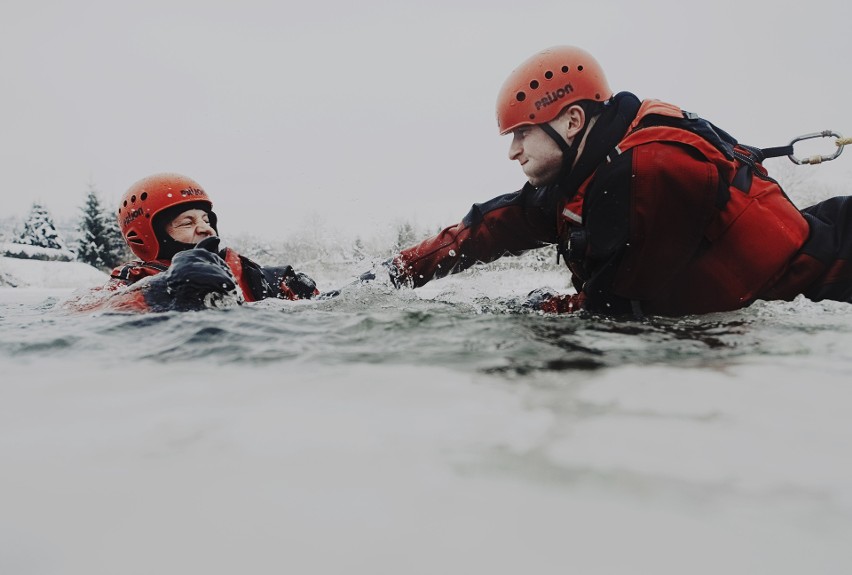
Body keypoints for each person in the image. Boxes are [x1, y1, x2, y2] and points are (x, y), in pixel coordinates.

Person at [384, 45, 852, 317]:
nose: (513, 151)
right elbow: (489, 227)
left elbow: (616, 311)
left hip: (833, 274)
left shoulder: (648, 172)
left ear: (570, 121)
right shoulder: (580, 174)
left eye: (522, 133)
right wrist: (386, 276)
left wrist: (529, 309)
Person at [67, 172, 319, 312]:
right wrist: (164, 290)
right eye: (187, 223)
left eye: (206, 219)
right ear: (149, 236)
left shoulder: (258, 276)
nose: (205, 228)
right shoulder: (132, 283)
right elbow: (79, 311)